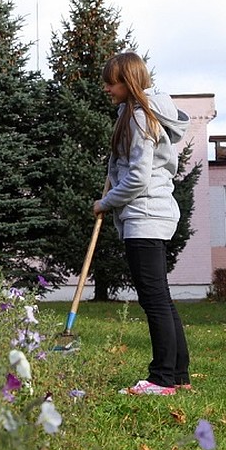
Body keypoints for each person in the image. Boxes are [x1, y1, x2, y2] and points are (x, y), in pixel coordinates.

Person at [93, 52, 191, 395]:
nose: (106, 87)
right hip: (150, 211)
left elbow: (137, 177)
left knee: (153, 298)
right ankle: (178, 375)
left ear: (129, 82)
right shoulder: (136, 114)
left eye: (112, 81)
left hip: (145, 214)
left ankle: (162, 378)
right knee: (159, 296)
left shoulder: (139, 117)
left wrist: (105, 202)